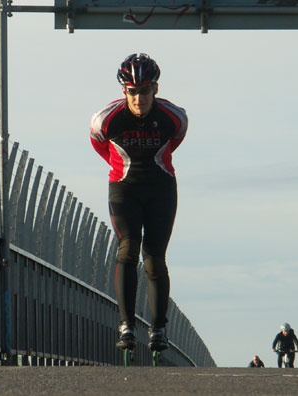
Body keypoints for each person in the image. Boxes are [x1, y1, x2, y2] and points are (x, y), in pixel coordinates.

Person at [90, 53, 188, 353]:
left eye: (145, 91)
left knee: (155, 257)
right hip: (124, 187)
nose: (139, 98)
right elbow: (99, 144)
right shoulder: (106, 119)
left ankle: (158, 329)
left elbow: (177, 139)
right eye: (133, 92)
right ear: (124, 92)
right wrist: (122, 167)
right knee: (128, 247)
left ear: (155, 89)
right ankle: (127, 325)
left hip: (160, 187)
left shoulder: (174, 117)